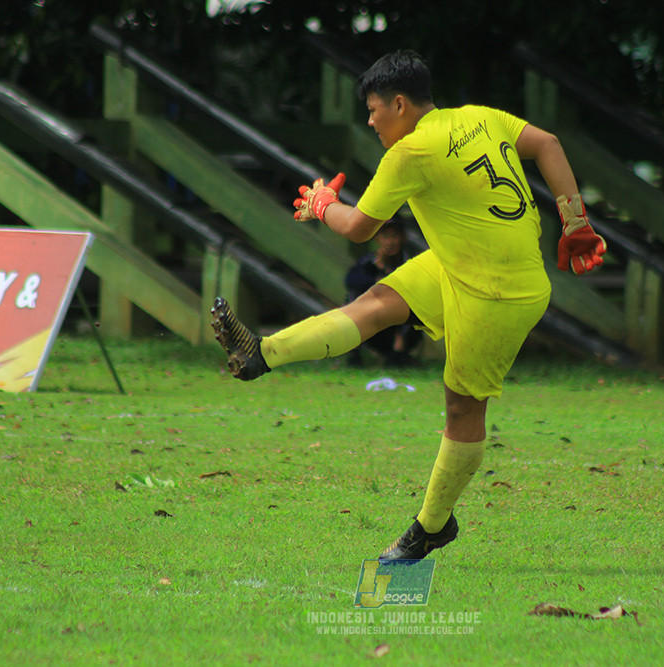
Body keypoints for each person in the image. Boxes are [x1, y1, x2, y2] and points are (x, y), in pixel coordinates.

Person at [211, 49, 605, 562]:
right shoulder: (478, 117)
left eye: (374, 110)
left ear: (400, 103)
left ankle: (431, 526)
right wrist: (574, 220)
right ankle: (262, 353)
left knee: (462, 408)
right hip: (459, 262)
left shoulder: (411, 152)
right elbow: (547, 144)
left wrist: (321, 205)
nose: (371, 121)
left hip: (500, 293)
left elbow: (357, 229)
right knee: (376, 303)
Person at [344, 219, 421, 367]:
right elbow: (350, 280)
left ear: (402, 238)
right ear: (378, 238)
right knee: (353, 297)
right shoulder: (369, 263)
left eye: (395, 236)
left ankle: (397, 353)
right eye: (386, 237)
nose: (390, 242)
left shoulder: (409, 263)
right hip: (375, 324)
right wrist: (377, 281)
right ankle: (353, 351)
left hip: (402, 324)